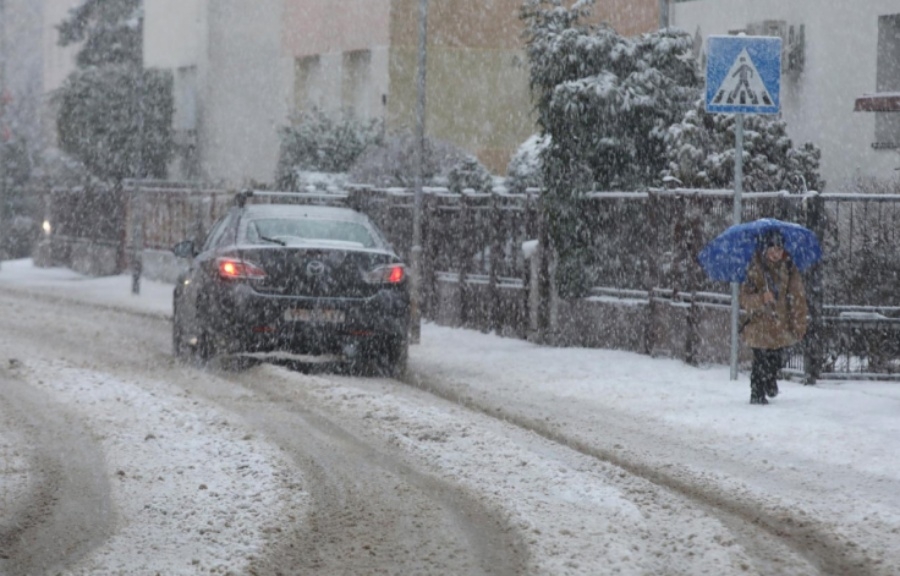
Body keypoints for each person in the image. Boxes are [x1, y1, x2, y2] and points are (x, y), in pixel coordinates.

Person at [739, 229, 809, 405]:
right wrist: (761, 299)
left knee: (776, 359)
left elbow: (797, 298)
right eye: (772, 249)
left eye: (779, 249)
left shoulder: (789, 269)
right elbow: (744, 299)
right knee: (760, 361)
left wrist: (799, 325)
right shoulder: (755, 270)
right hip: (759, 325)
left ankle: (770, 380)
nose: (776, 254)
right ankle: (757, 394)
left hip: (780, 324)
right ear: (765, 250)